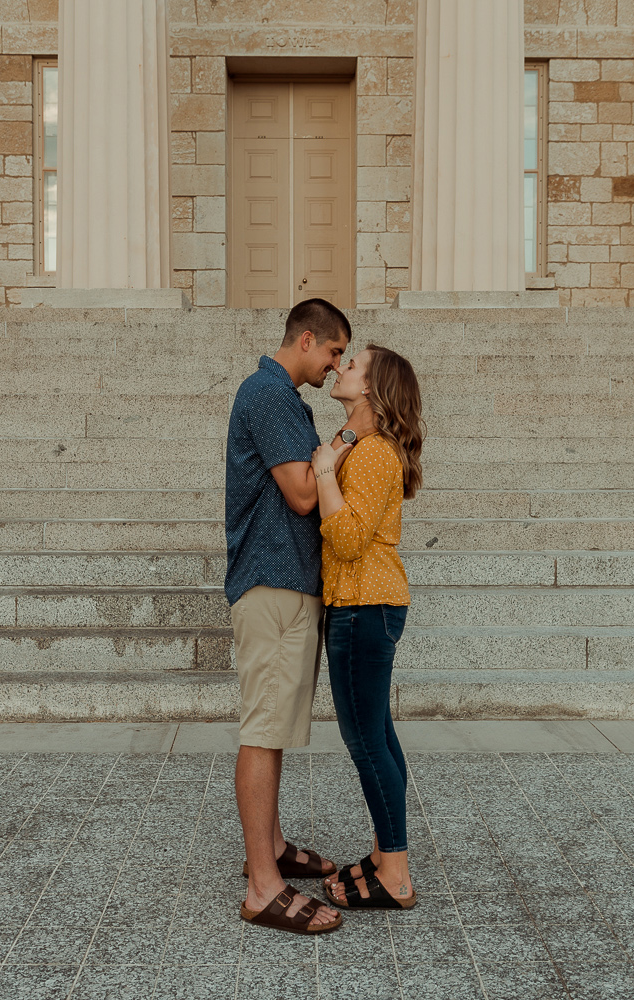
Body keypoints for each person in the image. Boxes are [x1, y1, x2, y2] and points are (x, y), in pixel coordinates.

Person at [228, 298, 351, 935]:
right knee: (264, 728)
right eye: (333, 353)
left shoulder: (279, 395)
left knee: (271, 724)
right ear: (307, 340)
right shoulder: (271, 393)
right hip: (271, 580)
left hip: (284, 581)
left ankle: (271, 848)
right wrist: (347, 436)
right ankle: (262, 886)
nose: (335, 370)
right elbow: (304, 494)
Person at [309, 343, 424, 910]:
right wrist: (337, 449)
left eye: (352, 365)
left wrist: (325, 473)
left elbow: (350, 539)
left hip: (363, 605)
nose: (340, 366)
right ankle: (385, 856)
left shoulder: (376, 453)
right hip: (365, 605)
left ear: (374, 390)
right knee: (380, 735)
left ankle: (396, 874)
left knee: (365, 742)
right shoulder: (362, 444)